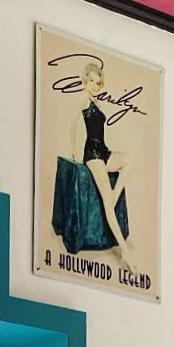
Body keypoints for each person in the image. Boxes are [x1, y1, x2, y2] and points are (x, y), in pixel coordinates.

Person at [72, 62, 134, 266]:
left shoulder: (95, 100)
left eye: (98, 82)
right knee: (107, 204)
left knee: (129, 159)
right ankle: (124, 250)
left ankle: (113, 199)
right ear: (85, 80)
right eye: (92, 81)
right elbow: (73, 123)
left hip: (104, 151)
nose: (95, 85)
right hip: (92, 154)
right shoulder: (83, 98)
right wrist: (74, 151)